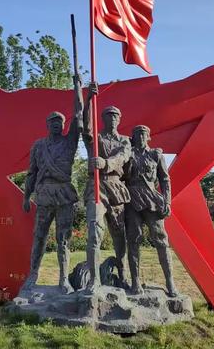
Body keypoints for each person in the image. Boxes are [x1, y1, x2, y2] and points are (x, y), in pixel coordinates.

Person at [21, 75, 83, 294]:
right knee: (39, 236)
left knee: (63, 238)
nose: (57, 125)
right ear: (47, 125)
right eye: (53, 123)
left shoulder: (70, 142)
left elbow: (79, 114)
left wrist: (79, 88)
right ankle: (33, 275)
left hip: (64, 193)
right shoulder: (38, 146)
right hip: (44, 193)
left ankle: (63, 279)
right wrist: (26, 196)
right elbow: (32, 172)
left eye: (60, 123)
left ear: (64, 126)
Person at [82, 82, 131, 293]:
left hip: (116, 188)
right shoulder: (96, 139)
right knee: (94, 232)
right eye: (107, 116)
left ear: (119, 119)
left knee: (120, 236)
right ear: (102, 119)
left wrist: (106, 163)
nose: (111, 118)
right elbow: (86, 128)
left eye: (115, 116)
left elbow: (123, 157)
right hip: (97, 187)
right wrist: (88, 101)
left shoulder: (125, 141)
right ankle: (94, 280)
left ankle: (123, 274)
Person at [124, 125, 178, 296]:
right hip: (132, 200)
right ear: (132, 137)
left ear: (148, 137)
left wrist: (167, 202)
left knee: (161, 239)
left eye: (144, 134)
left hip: (152, 200)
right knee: (133, 239)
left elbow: (165, 179)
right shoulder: (128, 154)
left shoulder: (156, 154)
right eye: (137, 134)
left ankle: (170, 282)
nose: (140, 136)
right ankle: (135, 281)